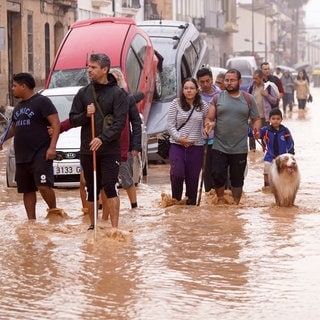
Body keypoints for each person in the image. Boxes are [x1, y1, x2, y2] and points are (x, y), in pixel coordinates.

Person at [69, 53, 128, 231]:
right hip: (88, 149)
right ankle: (92, 226)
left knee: (110, 185)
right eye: (88, 67)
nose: (89, 70)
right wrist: (86, 115)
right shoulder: (83, 93)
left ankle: (114, 228)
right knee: (91, 187)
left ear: (104, 69)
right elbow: (72, 119)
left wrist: (102, 138)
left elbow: (119, 123)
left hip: (110, 149)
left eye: (93, 67)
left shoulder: (118, 94)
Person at [0, 73, 64, 220]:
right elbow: (14, 128)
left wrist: (52, 147)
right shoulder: (18, 108)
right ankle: (31, 222)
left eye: (15, 86)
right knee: (27, 190)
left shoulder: (42, 102)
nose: (12, 89)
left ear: (24, 86)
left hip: (41, 152)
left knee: (43, 185)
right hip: (22, 155)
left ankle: (54, 212)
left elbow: (56, 123)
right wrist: (2, 139)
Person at [204, 69, 261, 204]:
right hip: (219, 145)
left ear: (239, 82)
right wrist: (209, 124)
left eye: (232, 80)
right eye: (227, 80)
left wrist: (256, 129)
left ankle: (236, 204)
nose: (229, 83)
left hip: (239, 147)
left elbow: (256, 118)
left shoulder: (248, 99)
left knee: (237, 179)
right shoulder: (217, 98)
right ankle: (220, 200)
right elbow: (209, 117)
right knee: (217, 175)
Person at [101, 68, 142, 217]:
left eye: (117, 80)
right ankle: (103, 210)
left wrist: (136, 146)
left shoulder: (128, 98)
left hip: (125, 146)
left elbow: (136, 123)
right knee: (105, 181)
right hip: (105, 144)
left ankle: (134, 207)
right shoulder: (102, 97)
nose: (114, 82)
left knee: (126, 178)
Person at [167, 77, 209, 205]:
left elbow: (208, 120)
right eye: (186, 88)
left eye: (191, 88)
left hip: (196, 147)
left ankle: (190, 209)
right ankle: (176, 202)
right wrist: (179, 138)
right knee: (177, 174)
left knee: (193, 180)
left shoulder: (203, 105)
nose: (189, 91)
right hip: (177, 146)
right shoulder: (176, 103)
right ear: (182, 90)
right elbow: (170, 125)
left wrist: (207, 127)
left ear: (197, 90)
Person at [253, 108, 295, 187]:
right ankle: (267, 186)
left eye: (278, 119)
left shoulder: (285, 131)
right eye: (273, 119)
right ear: (269, 119)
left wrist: (291, 154)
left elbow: (290, 143)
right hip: (269, 156)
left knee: (284, 172)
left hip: (283, 157)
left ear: (281, 120)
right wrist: (255, 134)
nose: (275, 120)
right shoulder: (266, 130)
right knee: (266, 169)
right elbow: (257, 134)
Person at [196, 67, 221, 192]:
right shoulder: (195, 96)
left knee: (218, 171)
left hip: (218, 139)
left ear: (212, 79)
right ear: (198, 82)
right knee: (205, 172)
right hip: (201, 140)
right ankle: (209, 196)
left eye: (207, 81)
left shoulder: (220, 95)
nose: (205, 84)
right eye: (202, 82)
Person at [248, 69, 278, 150]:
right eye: (253, 78)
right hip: (254, 117)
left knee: (265, 138)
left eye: (256, 78)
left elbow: (275, 100)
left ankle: (264, 154)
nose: (254, 80)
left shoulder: (268, 87)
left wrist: (267, 95)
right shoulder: (251, 88)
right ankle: (253, 154)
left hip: (265, 117)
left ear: (262, 78)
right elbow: (247, 101)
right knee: (252, 137)